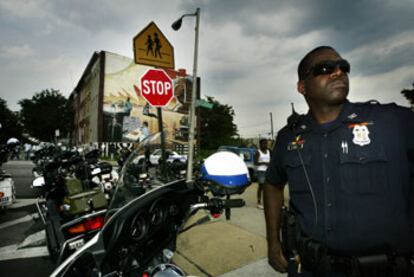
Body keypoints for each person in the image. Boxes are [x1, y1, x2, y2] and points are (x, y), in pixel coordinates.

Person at [264, 46, 414, 276]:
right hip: (311, 268)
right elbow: (273, 184)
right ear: (302, 87)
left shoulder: (392, 122)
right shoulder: (288, 137)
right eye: (324, 68)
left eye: (343, 67)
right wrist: (273, 242)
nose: (338, 72)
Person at [255, 138, 270, 209]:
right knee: (261, 186)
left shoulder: (269, 151)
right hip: (261, 171)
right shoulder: (258, 152)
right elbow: (255, 162)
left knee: (267, 187)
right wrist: (264, 163)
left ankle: (266, 202)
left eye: (266, 143)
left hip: (268, 171)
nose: (266, 145)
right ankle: (259, 202)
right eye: (264, 143)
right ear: (260, 144)